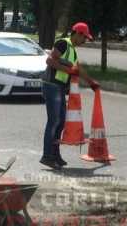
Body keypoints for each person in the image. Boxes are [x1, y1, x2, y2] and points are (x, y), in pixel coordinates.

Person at [40, 22, 100, 170]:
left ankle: (55, 155)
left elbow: (77, 69)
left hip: (59, 87)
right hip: (52, 85)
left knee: (60, 123)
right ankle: (47, 157)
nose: (85, 41)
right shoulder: (63, 43)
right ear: (78, 34)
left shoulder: (72, 50)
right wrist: (68, 71)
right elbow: (49, 60)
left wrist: (91, 83)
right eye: (84, 37)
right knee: (54, 122)